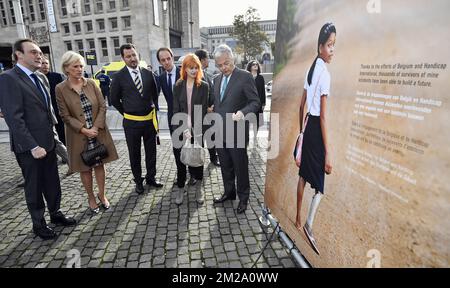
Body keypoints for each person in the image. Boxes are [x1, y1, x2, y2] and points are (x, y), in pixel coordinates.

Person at [0, 39, 76, 240]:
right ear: (19, 55)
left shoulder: (40, 78)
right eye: (33, 52)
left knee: (52, 182)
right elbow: (14, 119)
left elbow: (47, 110)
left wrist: (53, 135)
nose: (39, 55)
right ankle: (38, 224)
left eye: (40, 52)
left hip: (48, 141)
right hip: (29, 147)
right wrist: (32, 146)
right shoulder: (9, 78)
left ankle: (56, 213)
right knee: (34, 187)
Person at [55, 51, 119, 214]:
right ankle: (91, 198)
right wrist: (84, 130)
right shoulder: (60, 89)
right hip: (78, 135)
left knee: (99, 164)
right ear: (66, 68)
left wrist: (96, 128)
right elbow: (65, 115)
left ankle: (102, 195)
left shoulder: (91, 83)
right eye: (75, 66)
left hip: (98, 133)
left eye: (81, 66)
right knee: (85, 168)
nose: (79, 69)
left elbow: (103, 106)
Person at [295, 23, 335, 255]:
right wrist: (328, 152)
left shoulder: (311, 70)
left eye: (334, 45)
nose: (332, 50)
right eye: (330, 45)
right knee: (319, 186)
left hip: (307, 127)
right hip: (316, 132)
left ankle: (298, 218)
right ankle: (308, 225)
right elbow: (324, 118)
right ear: (320, 47)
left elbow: (301, 106)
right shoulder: (325, 74)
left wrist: (302, 130)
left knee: (302, 176)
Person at [211, 44, 260, 214]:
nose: (224, 67)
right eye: (220, 65)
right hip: (219, 132)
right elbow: (219, 103)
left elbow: (255, 102)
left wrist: (242, 112)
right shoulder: (216, 79)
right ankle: (229, 193)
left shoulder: (245, 77)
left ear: (233, 59)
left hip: (237, 132)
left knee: (240, 166)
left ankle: (243, 198)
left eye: (227, 63)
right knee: (225, 165)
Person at [111, 43, 162, 194]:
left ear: (137, 55)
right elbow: (114, 99)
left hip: (148, 121)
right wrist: (127, 112)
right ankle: (138, 181)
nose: (132, 58)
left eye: (134, 55)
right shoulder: (118, 77)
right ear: (123, 58)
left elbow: (155, 93)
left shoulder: (147, 73)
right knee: (134, 154)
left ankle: (151, 178)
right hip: (131, 123)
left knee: (151, 152)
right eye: (128, 56)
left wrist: (154, 108)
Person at [172, 54, 209, 205]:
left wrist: (193, 131)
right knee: (180, 163)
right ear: (184, 68)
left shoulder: (203, 86)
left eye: (196, 68)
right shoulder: (178, 85)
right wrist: (183, 129)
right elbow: (175, 109)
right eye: (190, 68)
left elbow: (203, 112)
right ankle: (181, 189)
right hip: (180, 130)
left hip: (197, 131)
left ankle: (199, 189)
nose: (193, 71)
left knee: (197, 161)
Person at [157, 47, 188, 190]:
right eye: (163, 60)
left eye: (168, 58)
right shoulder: (161, 78)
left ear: (173, 57)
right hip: (172, 119)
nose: (166, 62)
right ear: (160, 62)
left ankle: (194, 175)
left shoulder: (185, 73)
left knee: (192, 147)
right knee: (177, 149)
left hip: (188, 117)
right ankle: (181, 175)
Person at [194, 49, 220, 167]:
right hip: (201, 114)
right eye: (207, 58)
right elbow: (196, 98)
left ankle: (213, 158)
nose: (208, 60)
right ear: (202, 60)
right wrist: (206, 109)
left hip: (210, 113)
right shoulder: (195, 75)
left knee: (211, 137)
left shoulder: (206, 73)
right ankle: (199, 162)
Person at [39, 56, 66, 145]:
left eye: (46, 63)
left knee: (62, 135)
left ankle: (66, 157)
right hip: (44, 114)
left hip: (58, 112)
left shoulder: (58, 76)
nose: (45, 65)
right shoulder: (35, 78)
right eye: (42, 63)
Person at [246, 60, 266, 143]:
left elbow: (263, 91)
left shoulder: (260, 78)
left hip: (258, 102)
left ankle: (255, 136)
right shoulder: (247, 77)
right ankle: (246, 137)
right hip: (248, 103)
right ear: (250, 67)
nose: (255, 65)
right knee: (247, 120)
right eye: (253, 64)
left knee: (257, 121)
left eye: (256, 64)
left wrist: (263, 103)